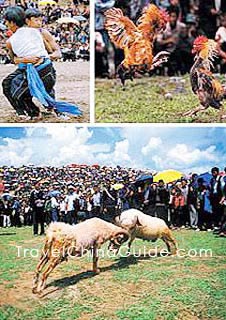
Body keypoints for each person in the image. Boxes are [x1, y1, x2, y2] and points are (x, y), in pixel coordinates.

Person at [2, 6, 82, 119]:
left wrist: (44, 58)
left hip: (40, 67)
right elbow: (14, 59)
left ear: (12, 22)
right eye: (36, 20)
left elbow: (56, 52)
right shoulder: (32, 34)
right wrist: (25, 59)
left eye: (41, 20)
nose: (39, 23)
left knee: (25, 91)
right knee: (8, 83)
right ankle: (23, 111)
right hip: (31, 67)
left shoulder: (40, 33)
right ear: (27, 20)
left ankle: (37, 111)